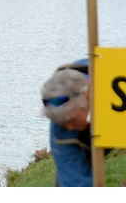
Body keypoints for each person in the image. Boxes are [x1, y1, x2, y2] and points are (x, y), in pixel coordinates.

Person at [40, 59, 93, 187]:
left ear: (88, 97)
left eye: (71, 120)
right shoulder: (60, 131)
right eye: (62, 122)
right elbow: (75, 183)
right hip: (86, 141)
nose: (68, 127)